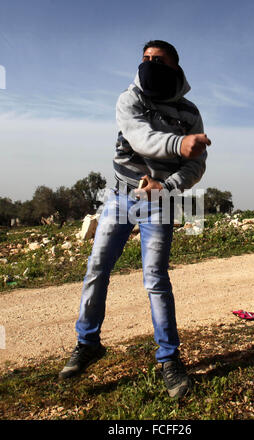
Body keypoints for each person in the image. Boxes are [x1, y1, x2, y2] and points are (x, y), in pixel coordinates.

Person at [59, 40, 211, 398]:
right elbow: (142, 137)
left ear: (175, 66)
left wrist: (167, 184)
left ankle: (169, 360)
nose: (148, 63)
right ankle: (88, 343)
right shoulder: (130, 98)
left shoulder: (189, 112)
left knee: (155, 278)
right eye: (144, 58)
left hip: (159, 202)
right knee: (97, 266)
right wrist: (178, 145)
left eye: (157, 59)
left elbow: (197, 164)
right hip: (119, 197)